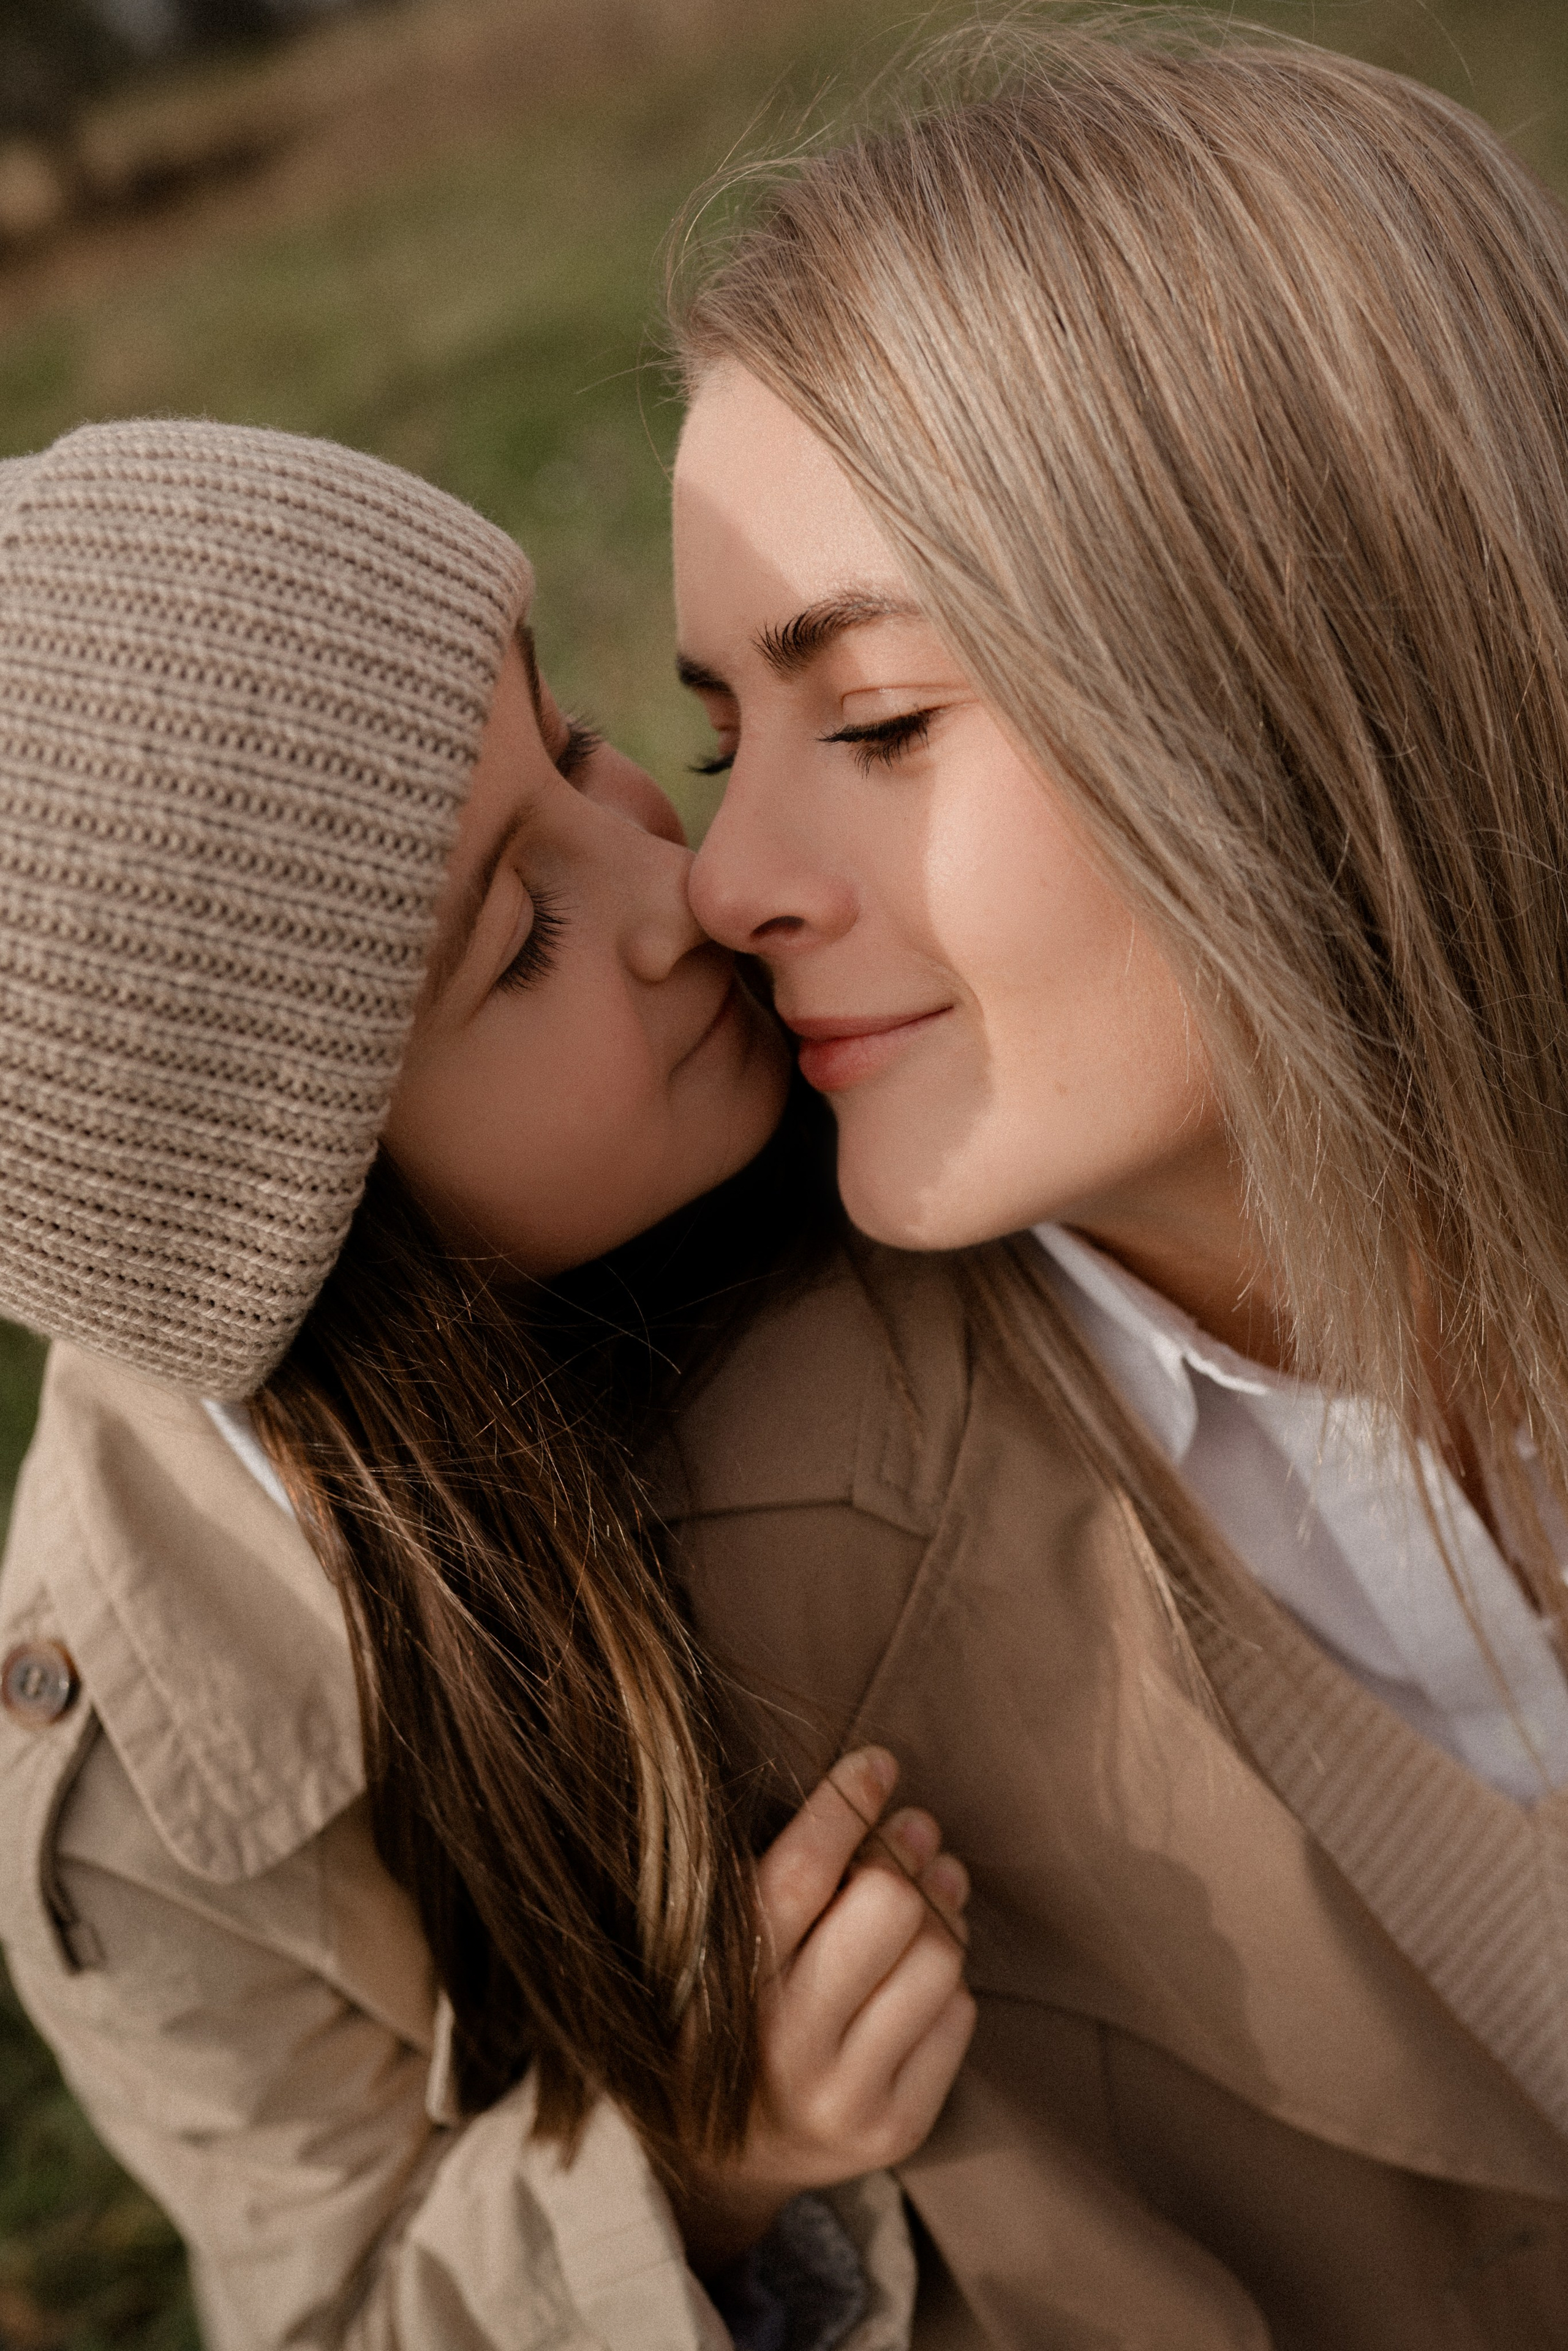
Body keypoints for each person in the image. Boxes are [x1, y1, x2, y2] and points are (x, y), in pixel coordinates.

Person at [658, 19, 1568, 2345]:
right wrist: (719, 2203)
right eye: (713, 733)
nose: (727, 874)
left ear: (1294, 669)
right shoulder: (765, 1623)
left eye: (870, 721)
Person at [0, 417, 976, 2349]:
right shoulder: (151, 1790)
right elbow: (338, 2308)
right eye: (521, 937)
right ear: (313, 1226)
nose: (673, 887)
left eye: (586, 740)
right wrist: (707, 2163)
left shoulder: (862, 1030)